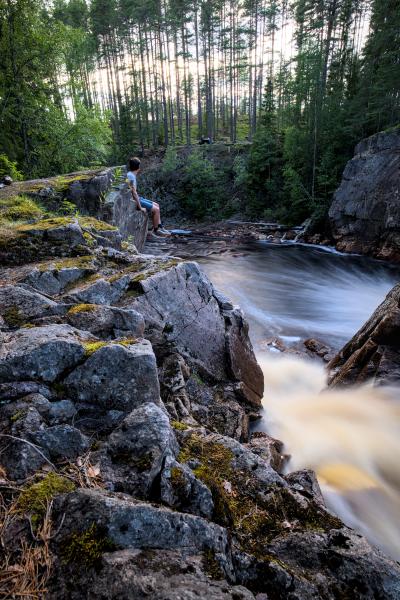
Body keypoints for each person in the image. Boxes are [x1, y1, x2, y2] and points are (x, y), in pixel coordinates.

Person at [126, 157, 171, 238]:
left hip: (137, 198)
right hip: (135, 200)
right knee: (156, 210)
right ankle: (156, 230)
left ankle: (160, 226)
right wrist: (140, 207)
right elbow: (134, 193)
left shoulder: (130, 174)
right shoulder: (131, 176)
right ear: (138, 167)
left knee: (157, 205)